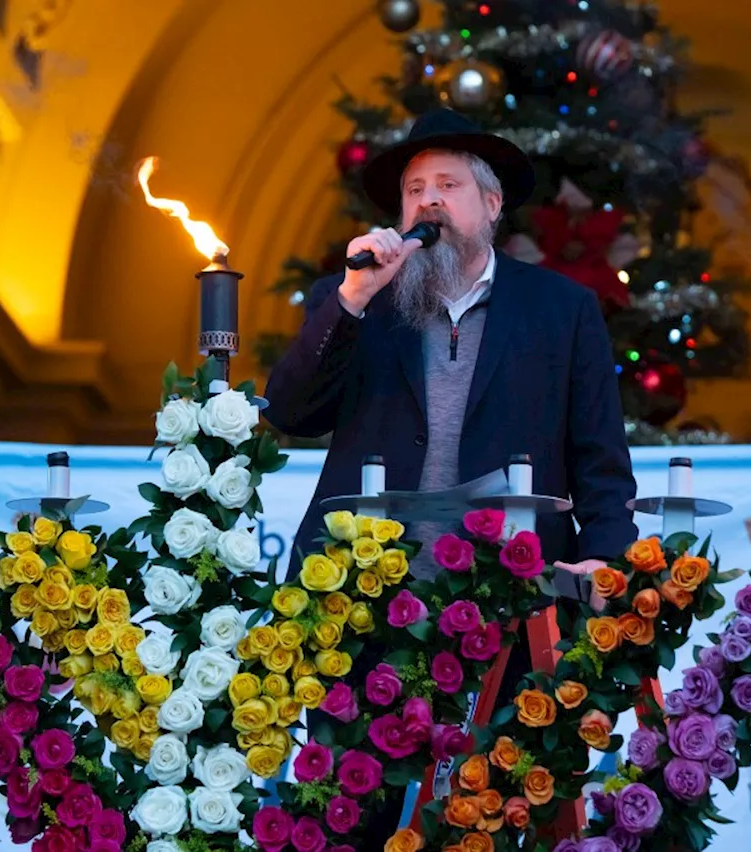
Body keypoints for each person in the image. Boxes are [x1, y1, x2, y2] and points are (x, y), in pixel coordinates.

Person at [262, 108, 639, 841]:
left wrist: (608, 560)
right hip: (364, 602)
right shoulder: (361, 302)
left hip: (508, 607)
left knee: (491, 817)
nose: (427, 201)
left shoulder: (561, 310)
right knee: (352, 817)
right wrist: (351, 301)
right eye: (413, 189)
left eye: (448, 185)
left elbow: (600, 459)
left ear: (491, 206)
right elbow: (291, 411)